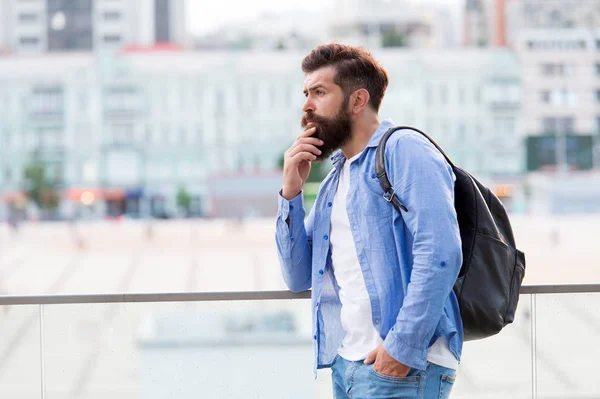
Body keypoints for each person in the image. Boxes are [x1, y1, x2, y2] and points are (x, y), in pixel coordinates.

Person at [275, 43, 463, 399]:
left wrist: (402, 347)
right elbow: (297, 276)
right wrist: (290, 192)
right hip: (348, 365)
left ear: (358, 100)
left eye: (319, 92)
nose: (306, 105)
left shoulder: (404, 150)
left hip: (403, 367)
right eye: (306, 93)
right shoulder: (335, 179)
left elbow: (441, 252)